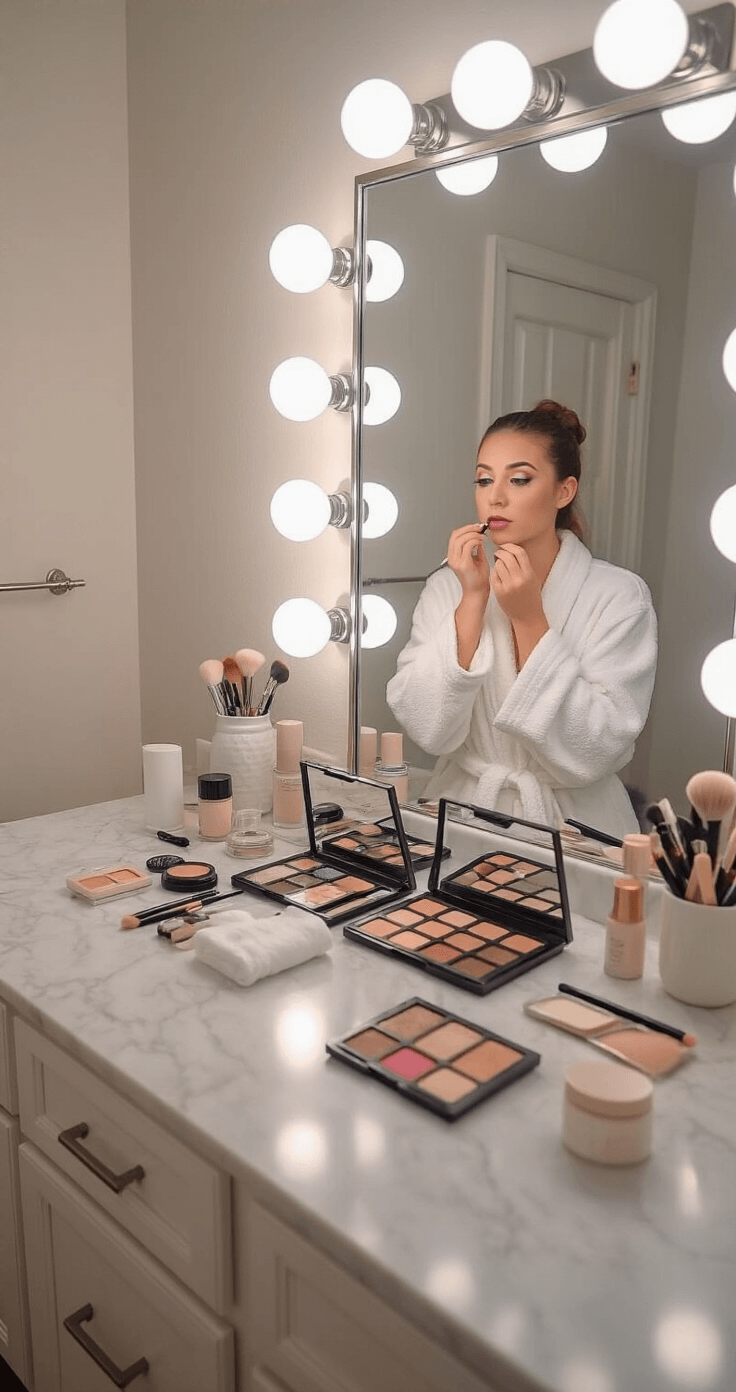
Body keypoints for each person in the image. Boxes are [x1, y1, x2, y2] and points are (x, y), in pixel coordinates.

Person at [386, 400, 658, 838]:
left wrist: (530, 620)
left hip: (575, 830)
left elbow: (600, 746)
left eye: (519, 479)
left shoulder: (619, 597)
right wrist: (472, 600)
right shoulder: (449, 587)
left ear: (563, 491)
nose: (495, 496)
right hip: (463, 814)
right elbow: (426, 729)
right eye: (483, 479)